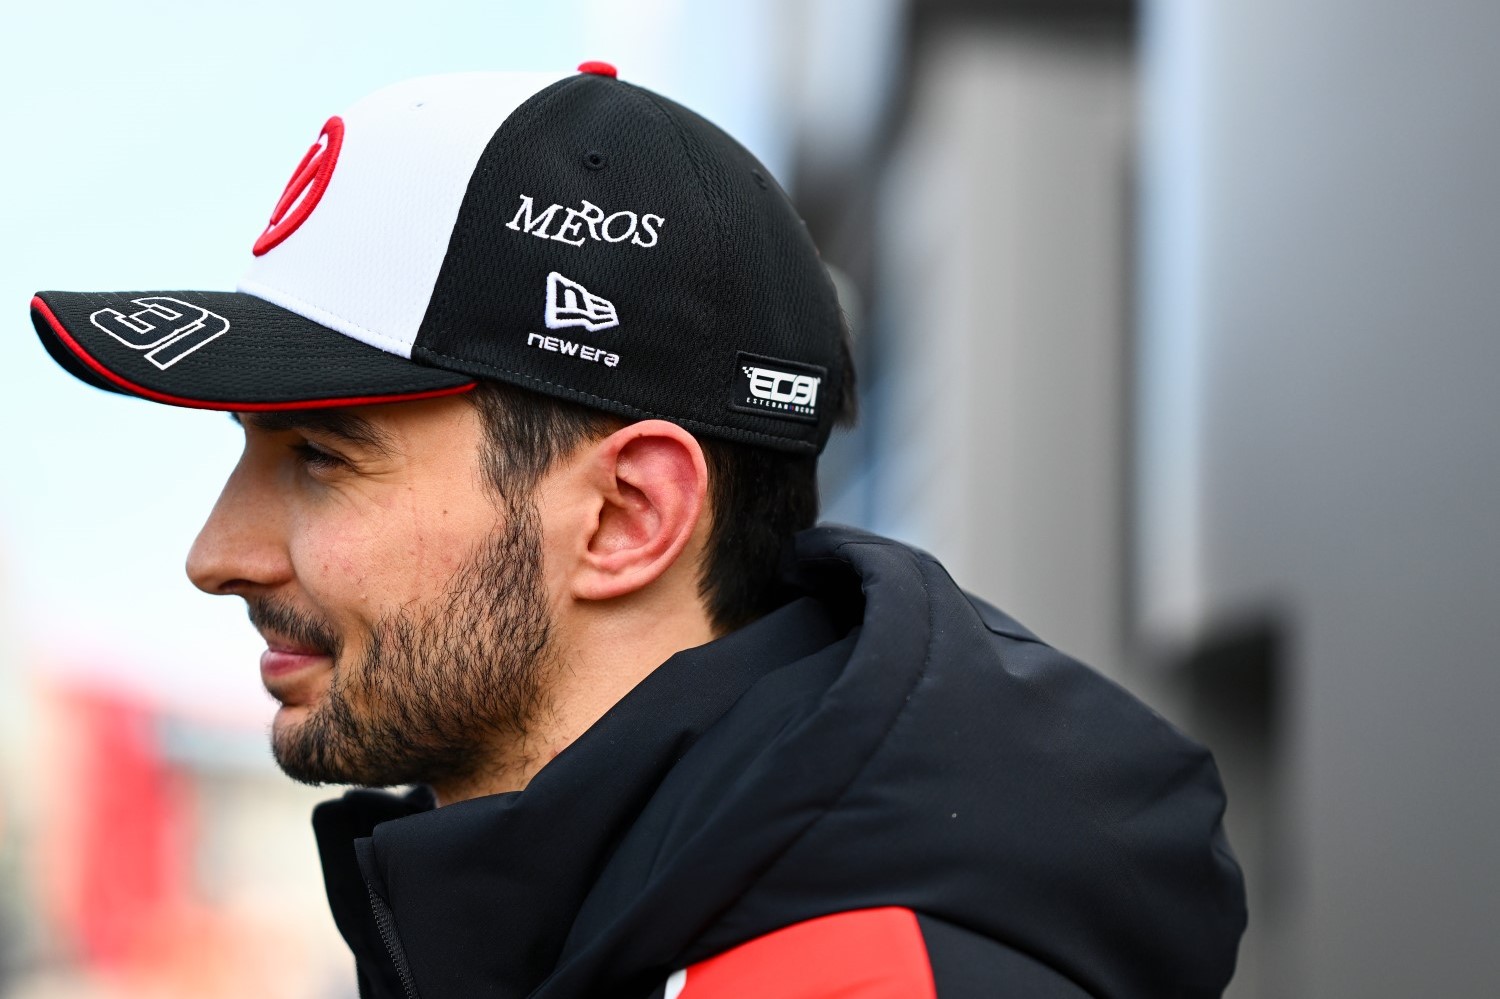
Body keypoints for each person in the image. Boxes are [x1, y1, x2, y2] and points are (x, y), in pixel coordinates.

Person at [30, 64, 1246, 998]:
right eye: (245, 452)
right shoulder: (593, 922)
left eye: (322, 459)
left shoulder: (845, 975)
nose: (216, 554)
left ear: (627, 516)